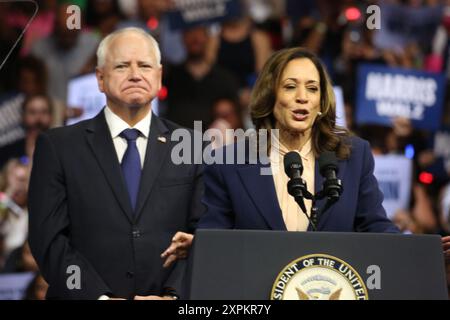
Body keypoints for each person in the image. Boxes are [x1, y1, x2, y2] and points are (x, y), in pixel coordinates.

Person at [162, 48, 450, 282]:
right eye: (290, 87)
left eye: (312, 89)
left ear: (321, 102)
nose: (302, 97)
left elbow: (374, 225)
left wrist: (419, 251)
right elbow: (217, 237)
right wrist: (200, 245)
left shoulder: (353, 155)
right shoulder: (228, 161)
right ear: (270, 96)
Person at [28, 27, 203, 300]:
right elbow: (48, 241)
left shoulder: (193, 145)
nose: (135, 74)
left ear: (158, 77)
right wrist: (98, 297)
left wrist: (173, 296)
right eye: (122, 66)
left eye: (144, 65)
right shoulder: (58, 146)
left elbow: (204, 234)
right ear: (100, 78)